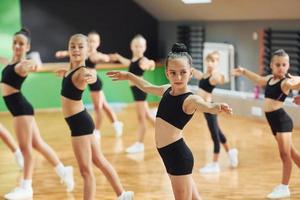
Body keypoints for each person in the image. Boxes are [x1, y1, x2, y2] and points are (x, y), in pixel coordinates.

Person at [107, 43, 232, 200]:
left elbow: (205, 105)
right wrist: (128, 76)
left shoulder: (190, 99)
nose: (178, 77)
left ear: (191, 73)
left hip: (179, 157)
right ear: (167, 73)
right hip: (169, 155)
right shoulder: (166, 89)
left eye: (183, 72)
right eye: (173, 73)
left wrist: (217, 107)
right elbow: (147, 86)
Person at [1, 28, 74, 199]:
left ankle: (27, 188)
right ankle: (63, 171)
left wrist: (34, 59)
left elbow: (33, 65)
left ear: (27, 46)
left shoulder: (21, 65)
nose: (17, 46)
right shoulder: (11, 63)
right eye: (15, 43)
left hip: (21, 110)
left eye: (21, 44)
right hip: (22, 109)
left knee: (26, 150)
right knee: (37, 144)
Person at [61, 33, 133, 200]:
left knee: (86, 172)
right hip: (82, 122)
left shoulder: (82, 71)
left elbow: (89, 75)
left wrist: (90, 77)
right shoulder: (70, 69)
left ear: (88, 51)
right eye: (73, 46)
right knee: (99, 160)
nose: (76, 49)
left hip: (79, 124)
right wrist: (63, 73)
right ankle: (122, 194)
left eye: (80, 46)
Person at [231, 49, 300, 199]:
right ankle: (284, 185)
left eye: (284, 64)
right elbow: (258, 79)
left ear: (288, 66)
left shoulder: (286, 82)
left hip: (282, 121)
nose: (281, 67)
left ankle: (284, 187)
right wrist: (244, 71)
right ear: (271, 66)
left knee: (285, 154)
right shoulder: (269, 79)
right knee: (293, 153)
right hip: (274, 122)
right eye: (278, 64)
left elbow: (298, 82)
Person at [56, 31, 123, 139]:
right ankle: (116, 123)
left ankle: (97, 130)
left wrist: (106, 58)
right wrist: (63, 54)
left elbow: (103, 59)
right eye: (90, 41)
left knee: (98, 107)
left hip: (94, 82)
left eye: (94, 41)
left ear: (98, 43)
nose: (92, 43)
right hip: (86, 80)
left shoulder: (95, 55)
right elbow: (72, 52)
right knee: (104, 105)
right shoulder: (83, 52)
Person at [193, 51, 238, 174]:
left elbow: (220, 78)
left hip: (210, 109)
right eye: (208, 60)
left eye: (213, 61)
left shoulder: (213, 76)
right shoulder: (204, 75)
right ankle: (231, 152)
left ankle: (215, 164)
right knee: (218, 132)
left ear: (217, 63)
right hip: (205, 109)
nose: (209, 63)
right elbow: (196, 73)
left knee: (215, 136)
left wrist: (221, 76)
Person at [109, 34, 155, 154]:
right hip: (136, 92)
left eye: (141, 46)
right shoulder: (133, 61)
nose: (138, 48)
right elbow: (128, 63)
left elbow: (150, 63)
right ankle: (166, 134)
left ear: (144, 47)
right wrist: (118, 56)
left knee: (141, 119)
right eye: (136, 46)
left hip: (140, 91)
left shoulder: (142, 60)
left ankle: (139, 144)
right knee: (148, 117)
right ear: (131, 47)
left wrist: (151, 64)